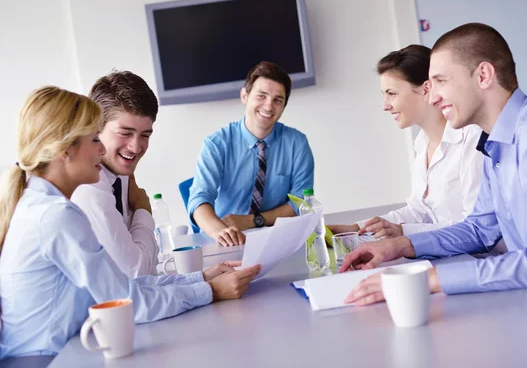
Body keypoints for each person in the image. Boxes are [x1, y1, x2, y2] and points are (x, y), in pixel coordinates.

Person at [340, 23, 527, 310]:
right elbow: (480, 229)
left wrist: (427, 279)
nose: (434, 96)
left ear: (484, 76)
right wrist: (400, 246)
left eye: (441, 81)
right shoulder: (495, 139)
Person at [0, 87, 261, 358]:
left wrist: (201, 278)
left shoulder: (41, 205)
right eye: (93, 140)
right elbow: (126, 303)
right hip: (47, 360)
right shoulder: (56, 216)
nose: (101, 149)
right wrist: (209, 292)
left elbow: (121, 288)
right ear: (65, 151)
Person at [329, 45, 486, 240]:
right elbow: (417, 211)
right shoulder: (422, 145)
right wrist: (355, 229)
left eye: (391, 93)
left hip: (485, 261)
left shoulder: (472, 139)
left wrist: (403, 232)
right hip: (450, 257)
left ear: (426, 89)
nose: (385, 106)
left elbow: (477, 227)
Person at [188, 61, 315, 247]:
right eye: (261, 96)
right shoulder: (216, 144)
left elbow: (302, 204)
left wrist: (251, 220)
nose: (269, 106)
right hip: (226, 241)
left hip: (277, 239)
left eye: (277, 100)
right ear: (244, 96)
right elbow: (199, 200)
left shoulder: (297, 143)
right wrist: (222, 233)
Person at [72, 71, 160, 278]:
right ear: (96, 127)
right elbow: (135, 273)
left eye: (145, 135)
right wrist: (143, 210)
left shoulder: (120, 175)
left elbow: (147, 270)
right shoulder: (89, 185)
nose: (136, 146)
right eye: (125, 133)